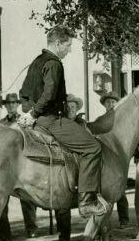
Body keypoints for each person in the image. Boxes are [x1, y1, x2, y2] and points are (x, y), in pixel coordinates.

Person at [19, 27, 107, 219]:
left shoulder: (36, 62)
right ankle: (86, 202)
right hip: (51, 120)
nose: (69, 50)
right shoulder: (54, 63)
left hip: (37, 118)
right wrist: (34, 113)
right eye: (68, 46)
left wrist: (28, 112)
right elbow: (49, 94)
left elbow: (23, 93)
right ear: (58, 43)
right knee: (93, 147)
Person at [0, 94, 40, 241]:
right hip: (6, 163)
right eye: (9, 103)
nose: (11, 105)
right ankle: (4, 234)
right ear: (5, 105)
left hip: (22, 161)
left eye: (14, 103)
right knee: (2, 199)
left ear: (18, 104)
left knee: (27, 197)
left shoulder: (25, 119)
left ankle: (31, 228)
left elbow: (30, 138)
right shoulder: (1, 123)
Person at [52, 94, 87, 241]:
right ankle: (64, 236)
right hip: (63, 162)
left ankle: (97, 233)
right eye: (68, 107)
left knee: (90, 194)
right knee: (61, 199)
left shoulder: (82, 124)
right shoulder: (60, 124)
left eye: (73, 107)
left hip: (81, 162)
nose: (71, 109)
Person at [100, 90, 130, 229]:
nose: (110, 105)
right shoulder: (100, 120)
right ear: (104, 105)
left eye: (113, 102)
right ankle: (104, 221)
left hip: (118, 156)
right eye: (108, 102)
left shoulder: (121, 120)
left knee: (120, 188)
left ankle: (124, 219)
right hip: (106, 156)